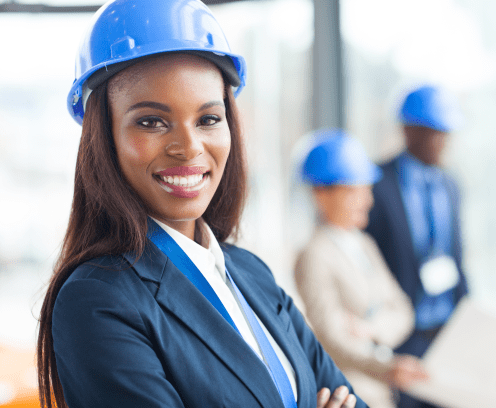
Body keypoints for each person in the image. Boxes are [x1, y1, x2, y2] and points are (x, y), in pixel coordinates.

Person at [36, 1, 368, 408]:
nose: (189, 147)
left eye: (208, 119)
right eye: (151, 121)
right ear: (105, 139)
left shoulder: (250, 273)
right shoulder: (97, 300)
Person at [294, 130, 428, 408]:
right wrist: (388, 367)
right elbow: (333, 339)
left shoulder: (364, 244)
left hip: (382, 392)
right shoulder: (313, 255)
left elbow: (403, 310)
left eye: (367, 190)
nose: (367, 200)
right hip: (348, 394)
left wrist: (371, 328)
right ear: (321, 193)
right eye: (355, 190)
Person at [365, 86, 469, 408]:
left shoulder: (450, 185)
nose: (443, 142)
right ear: (409, 132)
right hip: (402, 339)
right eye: (434, 133)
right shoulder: (376, 184)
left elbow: (455, 258)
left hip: (447, 336)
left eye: (446, 133)